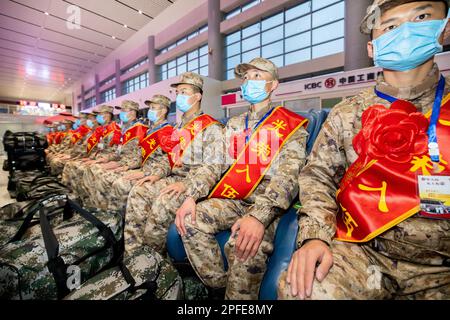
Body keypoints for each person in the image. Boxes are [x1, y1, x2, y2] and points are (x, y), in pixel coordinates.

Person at [278, 0, 450, 300]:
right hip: (365, 252)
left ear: (444, 29)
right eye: (392, 25)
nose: (406, 31)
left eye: (421, 17)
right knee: (303, 289)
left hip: (442, 264)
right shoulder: (348, 113)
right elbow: (318, 177)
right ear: (372, 47)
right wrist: (315, 237)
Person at [176, 58, 308, 300]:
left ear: (273, 84)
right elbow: (214, 163)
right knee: (190, 219)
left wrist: (258, 217)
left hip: (266, 206)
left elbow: (289, 177)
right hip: (233, 198)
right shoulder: (235, 124)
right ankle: (220, 287)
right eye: (246, 78)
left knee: (245, 247)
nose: (249, 82)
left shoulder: (290, 125)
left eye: (257, 76)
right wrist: (191, 196)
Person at [125, 72, 225, 254]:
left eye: (184, 92)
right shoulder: (178, 128)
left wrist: (186, 185)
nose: (179, 96)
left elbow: (213, 167)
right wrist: (154, 174)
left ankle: (153, 257)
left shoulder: (212, 127)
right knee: (139, 191)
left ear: (198, 96)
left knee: (163, 202)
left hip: (195, 185)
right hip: (172, 178)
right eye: (177, 92)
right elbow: (167, 157)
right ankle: (133, 252)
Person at [106, 95, 174, 212]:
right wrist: (126, 166)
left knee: (121, 184)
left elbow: (168, 160)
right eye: (150, 108)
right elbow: (139, 155)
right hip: (143, 169)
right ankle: (116, 217)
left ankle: (121, 219)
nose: (149, 111)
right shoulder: (149, 131)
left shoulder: (168, 131)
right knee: (117, 181)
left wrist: (145, 173)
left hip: (155, 172)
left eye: (153, 107)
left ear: (163, 111)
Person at [82, 100, 148, 210]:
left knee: (102, 176)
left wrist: (124, 166)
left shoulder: (140, 129)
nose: (121, 113)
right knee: (94, 169)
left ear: (132, 112)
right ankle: (96, 205)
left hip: (130, 165)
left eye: (123, 110)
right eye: (121, 110)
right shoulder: (123, 129)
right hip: (120, 161)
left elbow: (141, 156)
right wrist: (106, 158)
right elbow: (117, 151)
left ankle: (110, 211)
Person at [61, 105, 121, 204]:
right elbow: (96, 149)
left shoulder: (114, 130)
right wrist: (92, 158)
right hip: (98, 158)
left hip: (107, 160)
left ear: (107, 115)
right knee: (74, 165)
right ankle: (81, 197)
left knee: (89, 170)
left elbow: (115, 152)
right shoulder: (101, 130)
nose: (95, 119)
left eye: (99, 115)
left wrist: (98, 159)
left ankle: (92, 201)